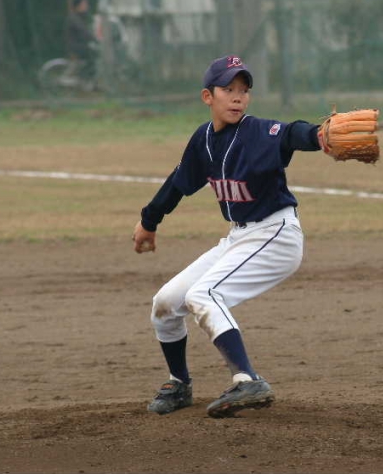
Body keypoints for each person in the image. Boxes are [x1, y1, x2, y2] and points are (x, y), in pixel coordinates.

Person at [132, 55, 323, 418]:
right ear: (208, 96)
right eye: (228, 89)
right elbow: (178, 183)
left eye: (244, 90)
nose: (238, 97)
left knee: (204, 294)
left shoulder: (257, 132)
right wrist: (149, 221)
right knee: (165, 303)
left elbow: (290, 133)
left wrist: (318, 135)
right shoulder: (203, 139)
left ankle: (247, 379)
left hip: (276, 234)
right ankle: (179, 384)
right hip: (240, 236)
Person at [65, 0, 97, 83]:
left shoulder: (78, 17)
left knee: (91, 56)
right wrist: (94, 39)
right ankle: (84, 79)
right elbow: (84, 32)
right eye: (84, 4)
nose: (86, 6)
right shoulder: (74, 18)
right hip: (76, 47)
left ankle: (83, 78)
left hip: (78, 45)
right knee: (93, 57)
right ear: (78, 6)